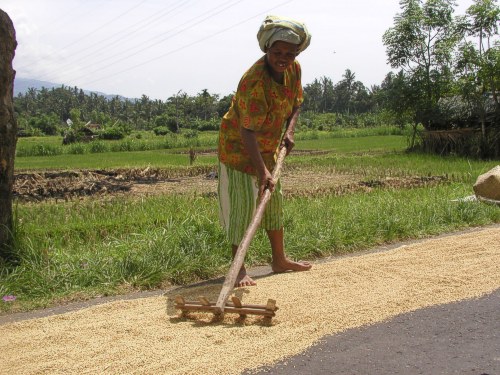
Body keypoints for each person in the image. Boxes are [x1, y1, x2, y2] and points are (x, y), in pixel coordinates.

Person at [218, 15, 313, 287]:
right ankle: (238, 268)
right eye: (277, 52)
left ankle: (279, 260)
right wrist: (262, 172)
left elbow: (296, 103)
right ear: (267, 50)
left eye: (289, 53)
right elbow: (247, 131)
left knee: (273, 200)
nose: (283, 58)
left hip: (270, 145)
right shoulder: (253, 82)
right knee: (244, 206)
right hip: (239, 147)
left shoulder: (294, 70)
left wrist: (290, 131)